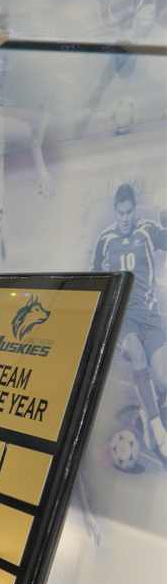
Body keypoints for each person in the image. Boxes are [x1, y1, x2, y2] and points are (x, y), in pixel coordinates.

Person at [91, 183, 167, 456]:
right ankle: (159, 432)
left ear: (134, 210)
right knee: (136, 354)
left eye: (129, 212)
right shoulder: (105, 240)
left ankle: (149, 410)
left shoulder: (147, 230)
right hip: (124, 319)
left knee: (164, 381)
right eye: (121, 213)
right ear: (115, 212)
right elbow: (95, 280)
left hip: (149, 317)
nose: (125, 218)